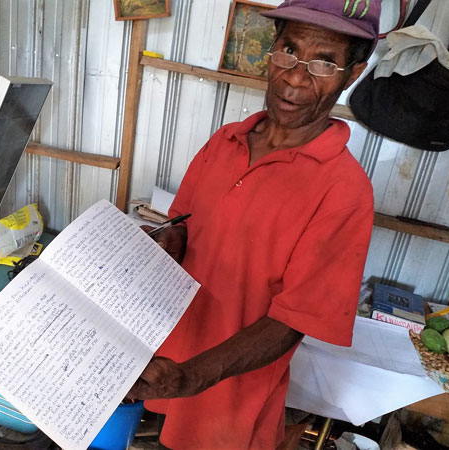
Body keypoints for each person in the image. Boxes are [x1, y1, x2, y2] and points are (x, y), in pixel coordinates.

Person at [127, 0, 381, 448]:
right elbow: (185, 226)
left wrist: (191, 377)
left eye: (325, 63)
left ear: (352, 75)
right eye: (289, 49)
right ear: (272, 49)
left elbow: (291, 322)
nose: (297, 76)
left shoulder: (344, 191)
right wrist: (172, 239)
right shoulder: (225, 141)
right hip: (163, 365)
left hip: (226, 395)